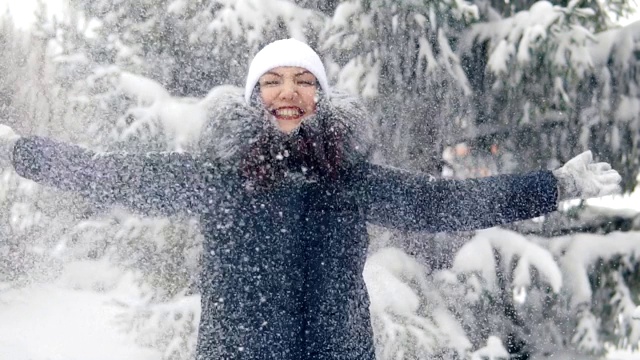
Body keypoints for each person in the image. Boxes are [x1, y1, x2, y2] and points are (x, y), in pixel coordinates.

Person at [0, 38, 621, 359]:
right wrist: (18, 152)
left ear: (322, 98)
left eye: (303, 82)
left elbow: (440, 206)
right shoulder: (218, 179)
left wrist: (555, 185)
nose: (287, 94)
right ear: (252, 99)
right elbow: (112, 175)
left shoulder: (352, 181)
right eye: (270, 83)